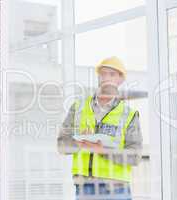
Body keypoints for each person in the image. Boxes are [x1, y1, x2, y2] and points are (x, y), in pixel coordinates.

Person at [57, 56, 143, 200]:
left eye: (112, 74)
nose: (106, 78)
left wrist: (102, 150)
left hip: (117, 188)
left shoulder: (129, 114)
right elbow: (61, 146)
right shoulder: (78, 108)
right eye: (103, 73)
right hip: (85, 187)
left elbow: (135, 156)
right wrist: (79, 143)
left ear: (120, 79)